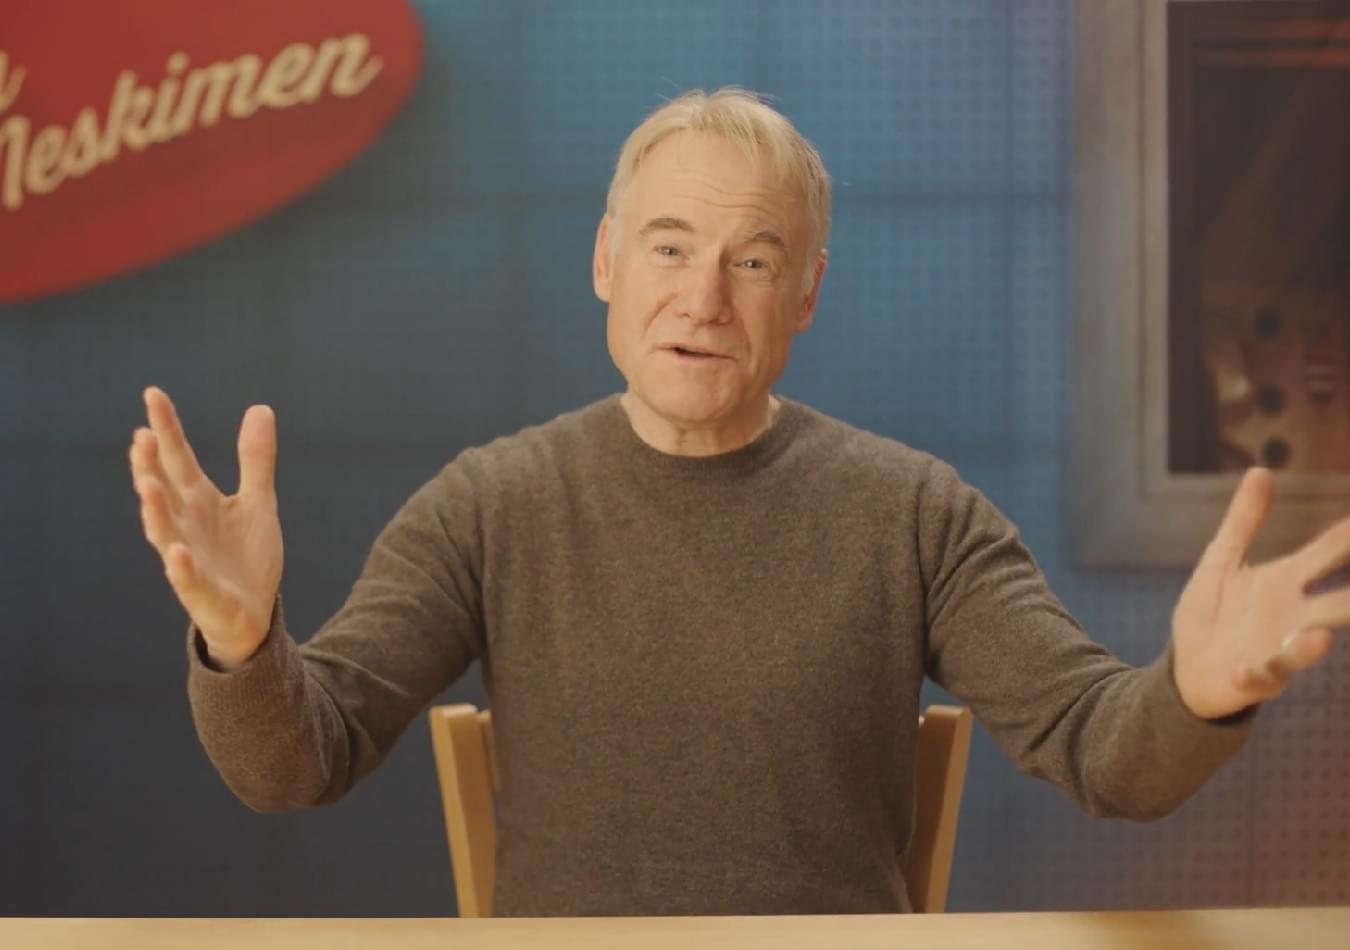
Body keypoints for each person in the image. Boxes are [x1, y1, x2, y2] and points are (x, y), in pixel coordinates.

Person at [128, 88, 1344, 916]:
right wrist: (241, 641)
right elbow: (303, 759)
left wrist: (1196, 690)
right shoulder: (489, 504)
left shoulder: (914, 513)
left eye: (753, 260)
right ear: (606, 262)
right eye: (669, 248)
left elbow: (1103, 747)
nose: (703, 297)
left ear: (805, 293)